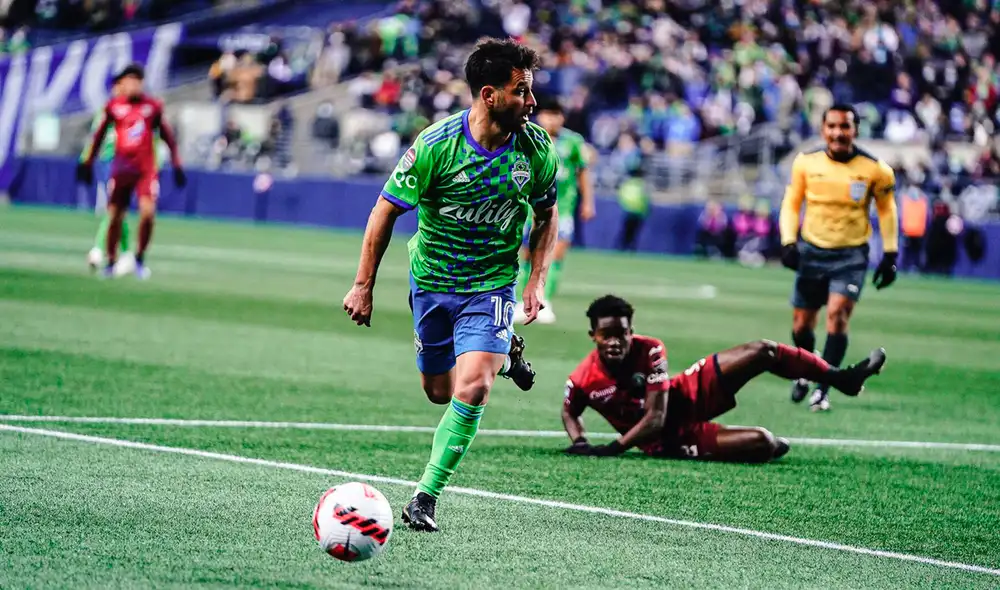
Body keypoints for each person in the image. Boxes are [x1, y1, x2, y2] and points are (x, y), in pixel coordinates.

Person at [342, 37, 559, 533]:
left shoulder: (536, 149)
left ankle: (425, 496)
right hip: (434, 282)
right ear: (489, 94)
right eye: (522, 91)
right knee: (439, 392)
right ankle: (506, 352)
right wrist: (363, 285)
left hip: (492, 287)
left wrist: (536, 279)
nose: (532, 102)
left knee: (474, 386)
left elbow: (547, 216)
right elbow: (384, 211)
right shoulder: (435, 147)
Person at [561, 295, 887, 462]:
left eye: (623, 333)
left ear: (632, 331)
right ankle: (763, 444)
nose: (616, 341)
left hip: (682, 396)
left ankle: (840, 378)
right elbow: (569, 410)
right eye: (607, 334)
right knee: (765, 444)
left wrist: (614, 448)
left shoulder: (651, 349)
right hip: (667, 440)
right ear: (594, 335)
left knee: (763, 350)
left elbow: (655, 416)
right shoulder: (584, 378)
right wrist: (579, 441)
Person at [778, 104, 898, 412]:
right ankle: (807, 369)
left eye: (844, 127)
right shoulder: (805, 162)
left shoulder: (876, 169)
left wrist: (890, 254)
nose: (838, 133)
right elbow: (792, 203)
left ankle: (823, 388)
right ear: (823, 130)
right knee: (801, 324)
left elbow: (886, 210)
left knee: (837, 314)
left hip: (850, 255)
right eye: (832, 126)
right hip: (812, 250)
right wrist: (788, 241)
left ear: (855, 130)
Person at [77, 63, 187, 279]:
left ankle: (139, 258)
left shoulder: (152, 107)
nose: (133, 85)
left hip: (146, 169)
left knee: (148, 213)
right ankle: (111, 260)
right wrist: (87, 162)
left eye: (137, 80)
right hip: (120, 168)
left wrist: (177, 164)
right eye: (129, 80)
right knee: (115, 215)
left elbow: (167, 136)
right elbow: (98, 135)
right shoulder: (113, 107)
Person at [513, 96, 594, 324]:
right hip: (528, 209)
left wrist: (588, 202)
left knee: (555, 255)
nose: (552, 119)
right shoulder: (528, 137)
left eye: (556, 114)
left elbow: (583, 172)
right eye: (548, 114)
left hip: (562, 209)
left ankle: (544, 301)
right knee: (524, 255)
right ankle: (521, 301)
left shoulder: (573, 142)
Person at [83, 78, 132, 272]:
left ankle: (98, 250)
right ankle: (127, 253)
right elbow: (95, 138)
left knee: (114, 208)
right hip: (106, 164)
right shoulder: (106, 111)